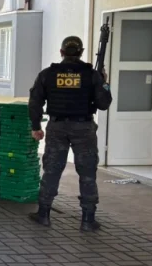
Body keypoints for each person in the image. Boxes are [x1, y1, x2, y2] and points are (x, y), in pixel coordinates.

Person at [28, 35, 112, 231]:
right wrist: (104, 82)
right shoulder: (92, 75)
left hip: (57, 127)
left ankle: (43, 214)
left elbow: (35, 102)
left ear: (61, 52)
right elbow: (103, 104)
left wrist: (36, 127)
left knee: (52, 170)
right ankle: (88, 219)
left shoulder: (47, 74)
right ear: (81, 53)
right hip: (84, 128)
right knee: (87, 172)